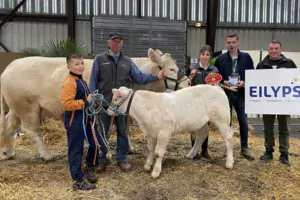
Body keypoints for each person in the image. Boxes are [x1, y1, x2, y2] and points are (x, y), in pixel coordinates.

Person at [89, 32, 165, 172]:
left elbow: (140, 78)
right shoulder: (100, 59)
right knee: (102, 131)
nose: (117, 43)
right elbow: (93, 80)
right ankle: (102, 159)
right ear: (108, 43)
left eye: (119, 41)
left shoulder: (127, 61)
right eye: (114, 41)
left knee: (123, 131)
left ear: (122, 43)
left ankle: (122, 158)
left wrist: (157, 76)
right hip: (104, 102)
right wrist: (94, 98)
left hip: (122, 105)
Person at [61, 54, 106, 190]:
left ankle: (90, 167)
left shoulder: (82, 81)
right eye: (76, 64)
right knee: (76, 150)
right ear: (69, 67)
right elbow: (67, 104)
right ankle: (78, 181)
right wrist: (86, 102)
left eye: (81, 63)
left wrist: (93, 103)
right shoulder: (70, 83)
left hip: (86, 119)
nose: (80, 66)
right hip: (75, 122)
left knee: (94, 144)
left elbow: (87, 100)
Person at [215, 32, 255, 161]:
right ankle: (228, 148)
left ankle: (244, 148)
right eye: (229, 42)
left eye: (233, 42)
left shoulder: (246, 57)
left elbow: (252, 75)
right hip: (225, 95)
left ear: (238, 42)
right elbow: (216, 78)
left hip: (241, 95)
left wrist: (244, 82)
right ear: (225, 43)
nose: (231, 45)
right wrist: (223, 82)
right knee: (227, 123)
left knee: (243, 122)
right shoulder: (220, 59)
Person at [256, 40, 297, 167]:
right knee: (268, 128)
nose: (274, 51)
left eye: (276, 48)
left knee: (284, 129)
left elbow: (295, 81)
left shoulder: (289, 63)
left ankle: (284, 154)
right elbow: (256, 82)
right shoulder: (261, 65)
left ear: (281, 49)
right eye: (271, 48)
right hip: (267, 102)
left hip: (284, 103)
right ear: (268, 50)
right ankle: (269, 151)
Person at [188, 45, 218, 159]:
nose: (204, 57)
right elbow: (186, 83)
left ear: (210, 57)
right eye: (202, 54)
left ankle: (204, 151)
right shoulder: (192, 68)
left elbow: (216, 86)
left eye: (207, 55)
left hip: (208, 103)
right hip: (195, 102)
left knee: (205, 127)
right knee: (194, 127)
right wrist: (191, 76)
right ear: (199, 56)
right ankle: (193, 151)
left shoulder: (214, 70)